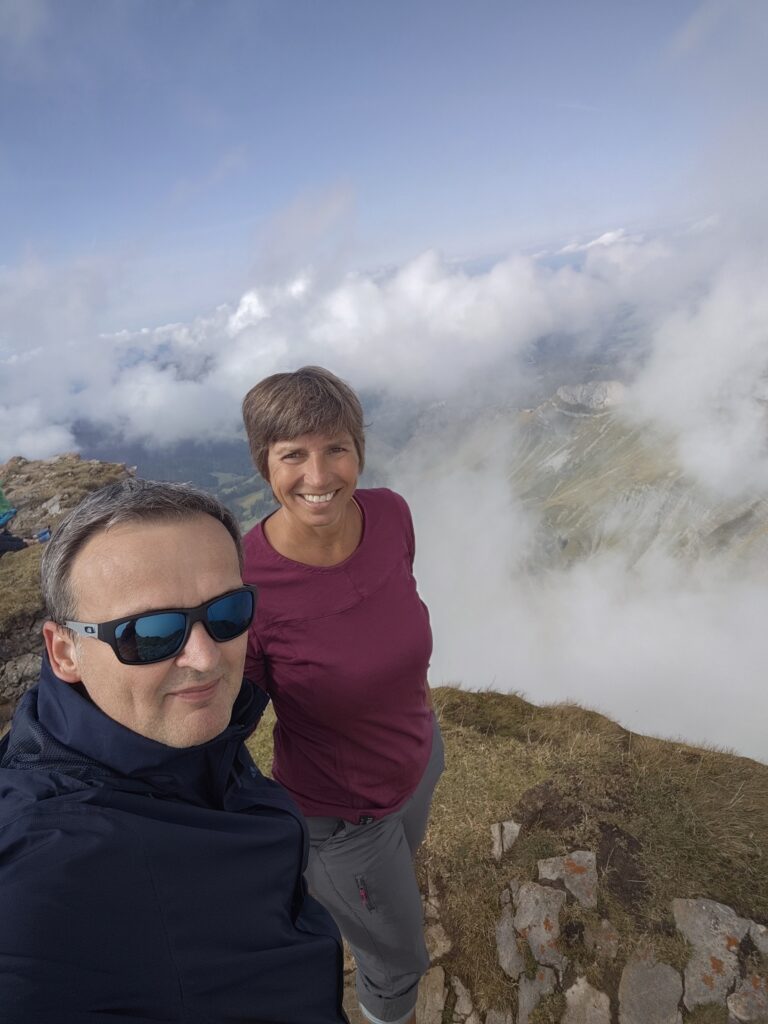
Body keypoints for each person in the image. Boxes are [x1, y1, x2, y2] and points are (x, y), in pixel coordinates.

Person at [0, 478, 347, 1024]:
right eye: (150, 633)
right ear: (64, 652)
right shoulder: (48, 878)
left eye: (227, 612)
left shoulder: (176, 739)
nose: (206, 659)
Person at [241, 367, 445, 1024]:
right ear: (264, 464)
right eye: (292, 455)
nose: (319, 474)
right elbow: (227, 722)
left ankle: (365, 902)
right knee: (399, 962)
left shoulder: (390, 514)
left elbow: (393, 619)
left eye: (336, 448)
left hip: (419, 758)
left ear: (359, 450)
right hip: (340, 818)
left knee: (397, 875)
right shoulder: (246, 585)